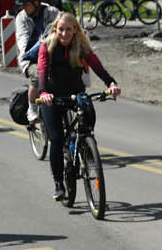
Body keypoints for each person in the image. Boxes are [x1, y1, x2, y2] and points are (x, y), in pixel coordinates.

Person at [35, 13, 122, 200]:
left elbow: (97, 67)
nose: (64, 33)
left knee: (88, 116)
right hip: (52, 96)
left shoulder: (81, 46)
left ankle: (85, 146)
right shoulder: (47, 47)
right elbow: (42, 70)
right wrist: (43, 92)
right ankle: (59, 184)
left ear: (75, 30)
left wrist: (111, 84)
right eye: (61, 29)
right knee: (57, 139)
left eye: (69, 29)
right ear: (55, 29)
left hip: (75, 92)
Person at [12, 0, 62, 120]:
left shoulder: (52, 12)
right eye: (22, 5)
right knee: (38, 76)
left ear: (37, 3)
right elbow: (22, 38)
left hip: (53, 54)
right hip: (31, 57)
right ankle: (31, 108)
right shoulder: (21, 17)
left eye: (26, 4)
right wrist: (27, 53)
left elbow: (61, 30)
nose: (23, 8)